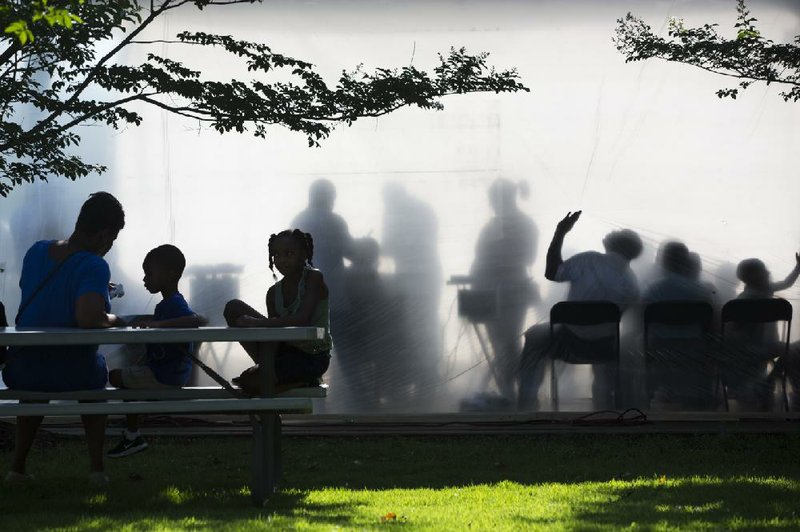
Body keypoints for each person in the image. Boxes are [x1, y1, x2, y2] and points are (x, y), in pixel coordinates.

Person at [3, 192, 126, 484]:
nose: (110, 247)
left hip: (23, 369)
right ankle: (97, 470)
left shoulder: (36, 252)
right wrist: (117, 319)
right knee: (96, 382)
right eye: (113, 239)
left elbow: (41, 294)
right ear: (104, 234)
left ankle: (17, 468)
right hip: (73, 371)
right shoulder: (94, 265)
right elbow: (88, 318)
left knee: (34, 390)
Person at [517, 211, 642, 410]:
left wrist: (560, 233)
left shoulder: (588, 260)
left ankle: (526, 404)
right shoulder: (632, 283)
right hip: (605, 347)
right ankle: (604, 408)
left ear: (611, 243)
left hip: (568, 342)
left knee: (533, 336)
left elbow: (552, 272)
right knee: (606, 355)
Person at [107, 244, 206, 458]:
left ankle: (133, 435)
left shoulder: (175, 303)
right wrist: (149, 321)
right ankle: (132, 435)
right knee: (127, 382)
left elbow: (193, 320)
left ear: (170, 274)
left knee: (114, 377)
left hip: (165, 374)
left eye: (149, 274)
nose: (144, 280)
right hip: (166, 372)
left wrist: (158, 326)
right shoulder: (166, 305)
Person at [223, 230, 332, 394]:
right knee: (233, 308)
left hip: (313, 357)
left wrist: (255, 323)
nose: (282, 260)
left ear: (304, 254)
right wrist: (266, 366)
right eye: (276, 255)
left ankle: (301, 380)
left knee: (250, 383)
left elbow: (302, 319)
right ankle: (273, 376)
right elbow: (274, 334)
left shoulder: (313, 278)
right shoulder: (273, 293)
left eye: (289, 254)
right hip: (286, 353)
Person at [469, 178, 538, 403]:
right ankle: (515, 390)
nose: (490, 204)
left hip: (505, 289)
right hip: (506, 289)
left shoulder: (497, 226)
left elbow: (524, 257)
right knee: (505, 342)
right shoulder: (522, 224)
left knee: (504, 342)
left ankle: (511, 390)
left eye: (491, 199)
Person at [642, 241, 718, 408]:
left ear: (662, 262)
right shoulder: (701, 291)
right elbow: (712, 325)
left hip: (659, 349)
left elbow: (641, 321)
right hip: (694, 349)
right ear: (685, 261)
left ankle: (644, 402)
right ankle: (704, 403)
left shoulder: (652, 290)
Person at [724, 253, 800, 409]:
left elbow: (733, 332)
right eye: (764, 270)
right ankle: (771, 382)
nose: (768, 272)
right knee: (791, 350)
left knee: (787, 351)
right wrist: (798, 268)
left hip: (747, 350)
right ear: (754, 276)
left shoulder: (740, 302)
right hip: (766, 348)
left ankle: (766, 387)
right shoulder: (764, 292)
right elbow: (787, 283)